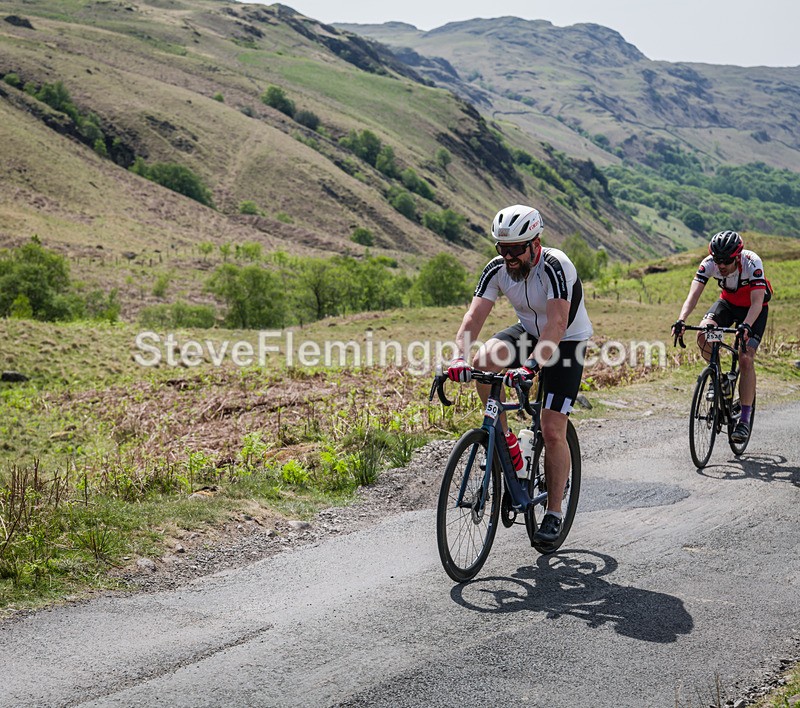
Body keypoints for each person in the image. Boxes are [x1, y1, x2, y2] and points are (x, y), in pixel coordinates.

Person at [446, 204, 593, 544]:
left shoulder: (556, 266)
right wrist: (458, 357)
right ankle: (507, 442)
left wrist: (530, 368)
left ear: (535, 244)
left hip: (567, 340)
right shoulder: (497, 269)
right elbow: (473, 317)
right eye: (502, 248)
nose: (508, 257)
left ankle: (554, 512)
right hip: (528, 331)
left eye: (515, 249)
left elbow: (557, 324)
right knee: (483, 362)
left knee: (552, 428)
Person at [671, 230, 772, 443]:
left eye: (726, 261)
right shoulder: (709, 264)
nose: (722, 265)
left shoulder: (752, 262)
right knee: (703, 332)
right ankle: (718, 378)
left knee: (745, 358)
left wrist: (745, 326)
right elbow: (693, 295)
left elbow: (756, 303)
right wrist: (681, 319)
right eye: (718, 260)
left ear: (737, 257)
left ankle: (744, 420)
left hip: (754, 309)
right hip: (728, 303)